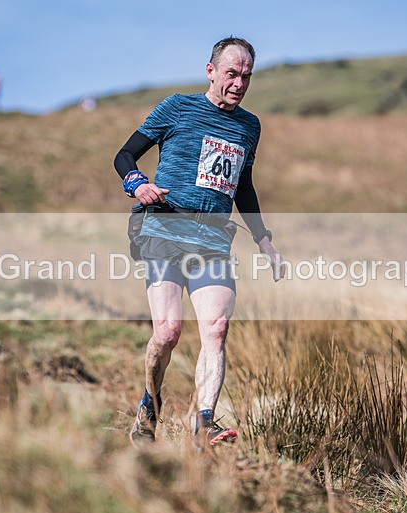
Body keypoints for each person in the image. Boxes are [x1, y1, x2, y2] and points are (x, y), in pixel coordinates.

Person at [114, 36, 285, 449]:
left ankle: (204, 423)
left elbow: (243, 186)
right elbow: (124, 156)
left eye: (246, 76)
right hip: (163, 233)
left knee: (217, 327)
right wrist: (139, 186)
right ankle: (149, 406)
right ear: (210, 71)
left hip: (211, 241)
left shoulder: (249, 126)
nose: (239, 83)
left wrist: (263, 238)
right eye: (231, 73)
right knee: (169, 331)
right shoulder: (177, 108)